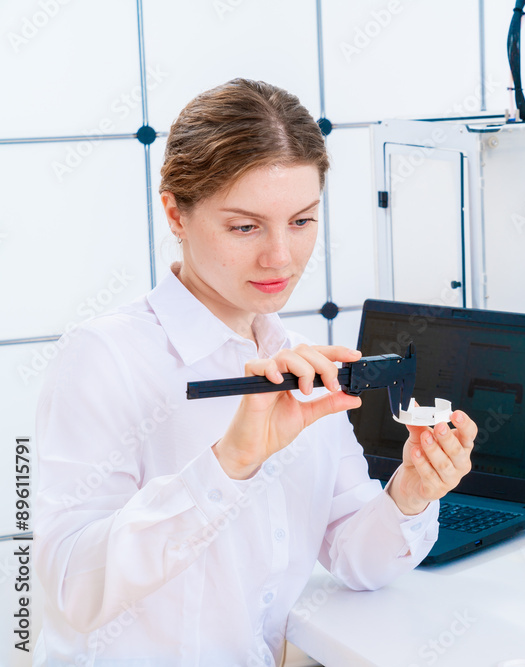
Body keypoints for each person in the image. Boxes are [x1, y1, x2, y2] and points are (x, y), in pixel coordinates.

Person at [34, 78, 477, 666]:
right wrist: (229, 464)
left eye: (301, 221)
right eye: (245, 226)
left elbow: (355, 557)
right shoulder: (102, 358)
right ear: (176, 213)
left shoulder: (297, 362)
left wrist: (413, 493)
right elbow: (71, 590)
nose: (281, 257)